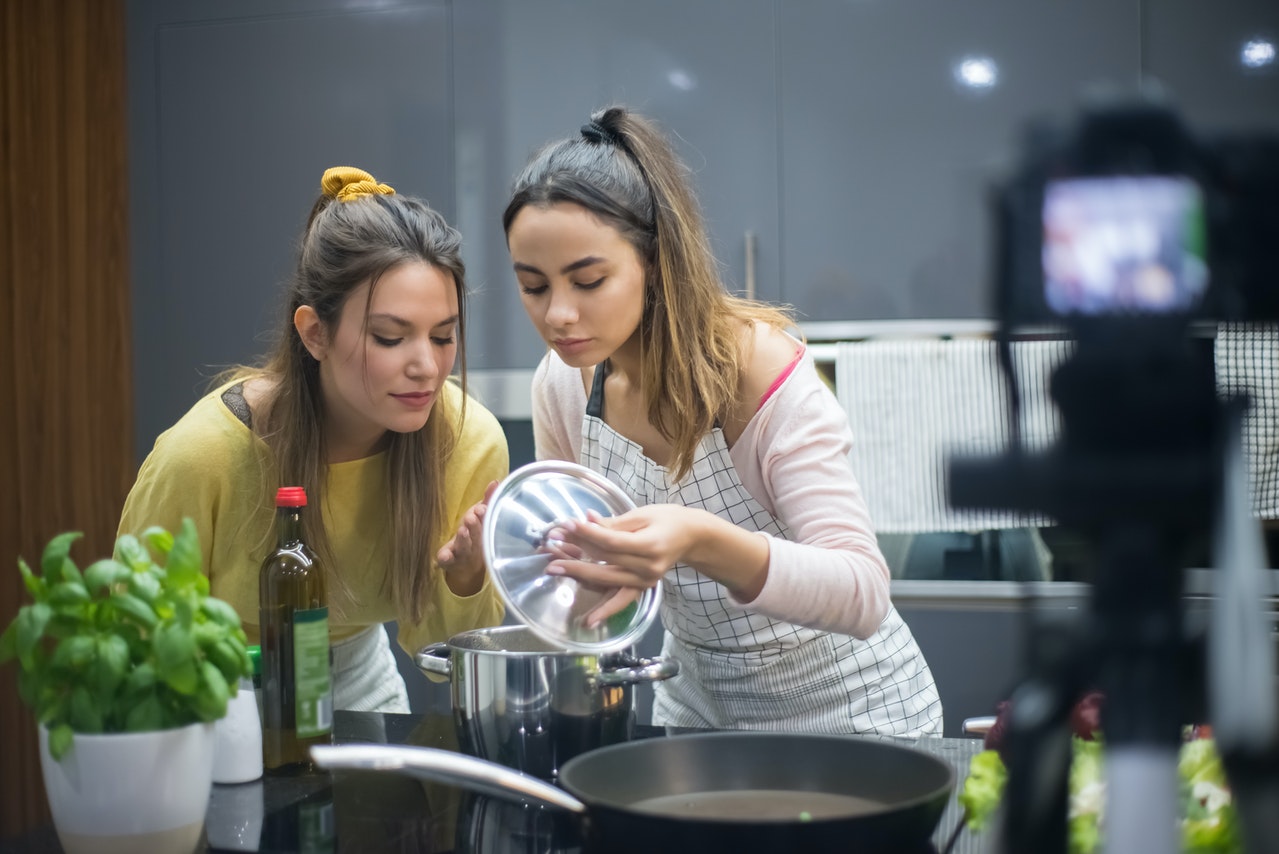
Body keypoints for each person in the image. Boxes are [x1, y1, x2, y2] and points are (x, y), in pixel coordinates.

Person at [501, 107, 943, 734]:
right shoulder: (564, 385)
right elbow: (590, 575)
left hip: (854, 716)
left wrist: (699, 538)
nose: (559, 316)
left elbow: (862, 592)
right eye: (534, 286)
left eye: (589, 280)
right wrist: (518, 551)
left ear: (653, 263)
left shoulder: (759, 369)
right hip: (697, 709)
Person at [119, 166, 508, 712]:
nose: (427, 366)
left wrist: (467, 577)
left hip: (359, 681)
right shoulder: (202, 457)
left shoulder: (467, 441)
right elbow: (134, 647)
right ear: (314, 333)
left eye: (444, 336)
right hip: (217, 692)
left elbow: (447, 662)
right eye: (391, 337)